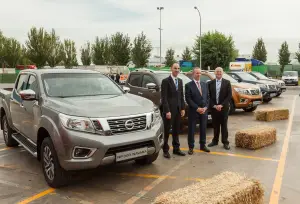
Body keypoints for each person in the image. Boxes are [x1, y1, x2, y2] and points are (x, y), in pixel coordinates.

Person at [161, 63, 186, 158]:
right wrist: (167, 111)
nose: (177, 70)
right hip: (169, 111)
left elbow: (181, 96)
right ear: (171, 69)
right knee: (166, 131)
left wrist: (182, 108)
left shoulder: (180, 81)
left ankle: (176, 149)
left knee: (176, 130)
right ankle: (165, 150)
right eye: (175, 68)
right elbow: (164, 97)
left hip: (178, 110)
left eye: (178, 68)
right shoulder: (165, 81)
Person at [185, 67, 210, 155]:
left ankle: (202, 145)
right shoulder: (188, 85)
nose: (198, 75)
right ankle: (191, 147)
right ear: (193, 74)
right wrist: (197, 108)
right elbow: (188, 99)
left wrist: (206, 107)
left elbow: (207, 97)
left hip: (204, 111)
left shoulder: (204, 84)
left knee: (203, 128)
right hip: (193, 111)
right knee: (191, 129)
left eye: (200, 73)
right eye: (197, 73)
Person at [207, 67, 232, 150]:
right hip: (214, 108)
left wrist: (221, 105)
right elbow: (208, 96)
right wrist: (214, 105)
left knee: (224, 125)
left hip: (223, 108)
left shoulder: (227, 83)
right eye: (217, 71)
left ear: (222, 73)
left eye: (220, 72)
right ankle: (215, 141)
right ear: (214, 73)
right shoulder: (210, 83)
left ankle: (225, 142)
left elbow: (229, 96)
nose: (218, 73)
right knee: (215, 125)